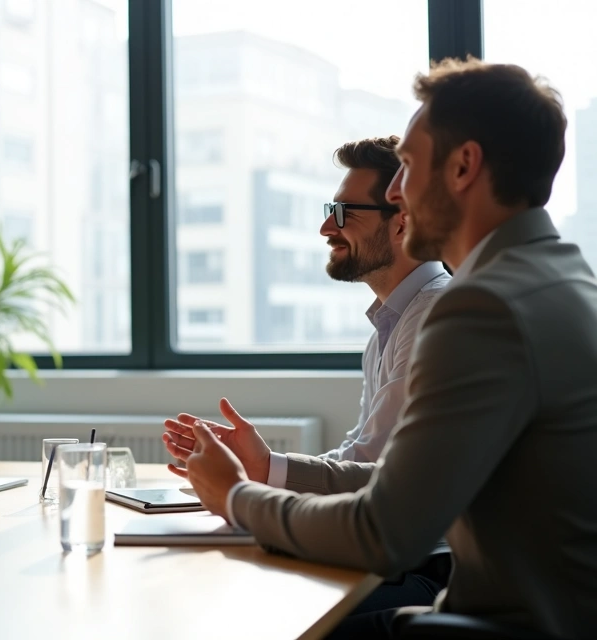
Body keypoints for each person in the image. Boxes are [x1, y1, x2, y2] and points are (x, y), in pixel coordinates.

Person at [165, 58, 597, 638]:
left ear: (464, 166)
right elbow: (395, 479)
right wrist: (265, 472)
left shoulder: (479, 309)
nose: (397, 190)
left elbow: (385, 533)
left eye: (409, 166)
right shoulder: (565, 281)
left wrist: (238, 497)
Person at [175, 136, 454, 616]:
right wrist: (265, 467)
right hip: (400, 555)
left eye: (344, 212)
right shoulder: (391, 323)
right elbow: (360, 457)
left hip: (426, 570)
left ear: (401, 220)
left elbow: (380, 479)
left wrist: (255, 484)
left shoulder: (436, 315)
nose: (327, 227)